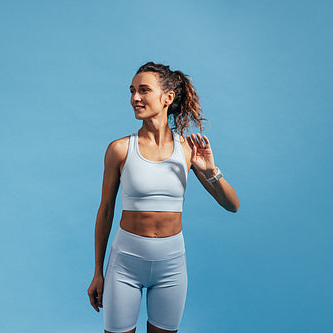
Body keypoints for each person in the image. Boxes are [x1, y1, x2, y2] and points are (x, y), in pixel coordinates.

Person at [87, 62, 240, 333]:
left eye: (144, 90)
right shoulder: (120, 149)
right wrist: (98, 272)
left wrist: (211, 171)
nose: (135, 98)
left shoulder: (188, 150)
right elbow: (106, 209)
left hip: (171, 266)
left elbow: (232, 205)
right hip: (125, 264)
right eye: (132, 91)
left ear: (167, 97)